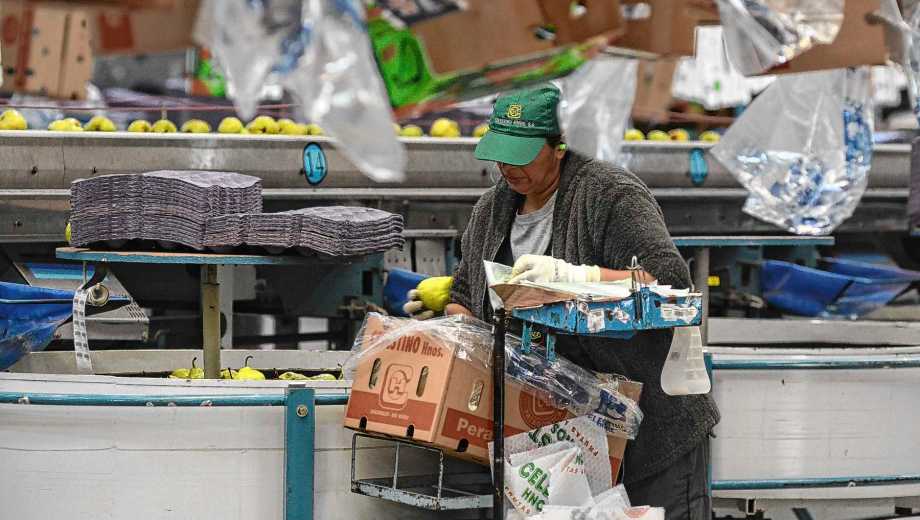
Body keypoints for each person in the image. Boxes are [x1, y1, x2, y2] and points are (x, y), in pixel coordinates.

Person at [406, 84, 719, 519]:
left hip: (645, 432)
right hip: (552, 435)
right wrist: (457, 335)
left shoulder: (608, 194)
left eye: (521, 153)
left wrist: (580, 278)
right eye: (500, 151)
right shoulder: (492, 208)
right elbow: (464, 296)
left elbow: (668, 277)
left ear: (560, 146)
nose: (506, 165)